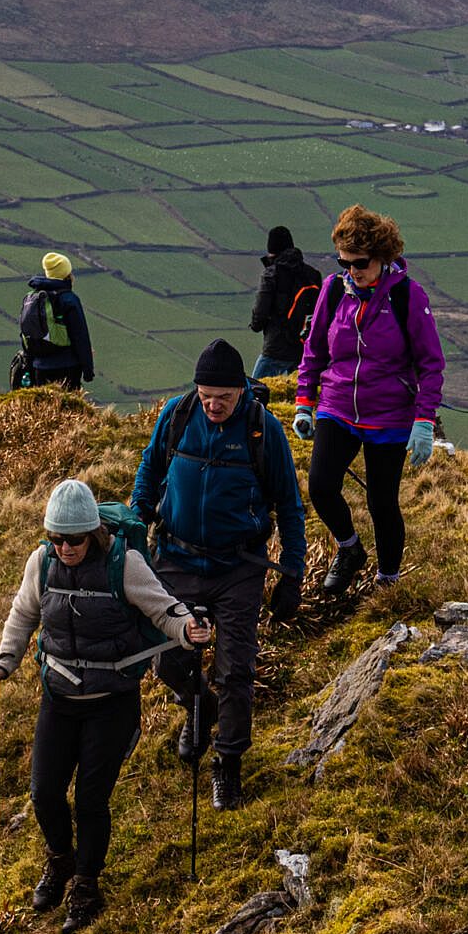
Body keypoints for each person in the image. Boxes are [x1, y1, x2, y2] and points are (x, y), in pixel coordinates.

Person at [0, 479, 210, 934]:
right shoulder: (41, 563)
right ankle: (60, 860)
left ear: (94, 533)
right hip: (59, 699)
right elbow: (23, 614)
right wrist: (4, 663)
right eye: (56, 538)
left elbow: (163, 610)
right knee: (44, 794)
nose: (65, 548)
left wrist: (188, 631)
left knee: (90, 799)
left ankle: (86, 885)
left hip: (112, 702)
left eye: (75, 539)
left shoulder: (123, 565)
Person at [130, 338, 306, 812]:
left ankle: (227, 765)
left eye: (223, 398)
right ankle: (197, 704)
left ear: (241, 392)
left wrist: (292, 573)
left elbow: (289, 505)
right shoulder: (178, 414)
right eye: (206, 396)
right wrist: (134, 525)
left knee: (236, 669)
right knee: (166, 660)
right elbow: (149, 471)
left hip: (238, 568)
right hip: (175, 559)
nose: (213, 406)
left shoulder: (261, 429)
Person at [293, 204, 444, 596]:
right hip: (338, 405)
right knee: (321, 486)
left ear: (382, 257)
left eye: (359, 263)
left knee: (382, 502)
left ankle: (388, 583)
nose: (352, 271)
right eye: (343, 262)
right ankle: (349, 549)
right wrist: (304, 403)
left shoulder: (408, 297)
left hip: (390, 414)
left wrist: (424, 421)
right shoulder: (333, 290)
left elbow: (431, 364)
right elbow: (314, 350)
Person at [249, 225, 323, 380]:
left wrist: (255, 325)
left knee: (255, 393)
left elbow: (260, 313)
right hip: (303, 349)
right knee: (297, 395)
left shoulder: (271, 274)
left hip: (275, 347)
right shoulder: (312, 274)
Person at [19, 251, 94, 390]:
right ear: (66, 274)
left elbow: (25, 334)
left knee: (44, 408)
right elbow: (80, 336)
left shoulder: (32, 298)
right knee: (68, 407)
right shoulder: (69, 299)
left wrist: (30, 365)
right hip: (67, 367)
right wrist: (88, 370)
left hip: (39, 368)